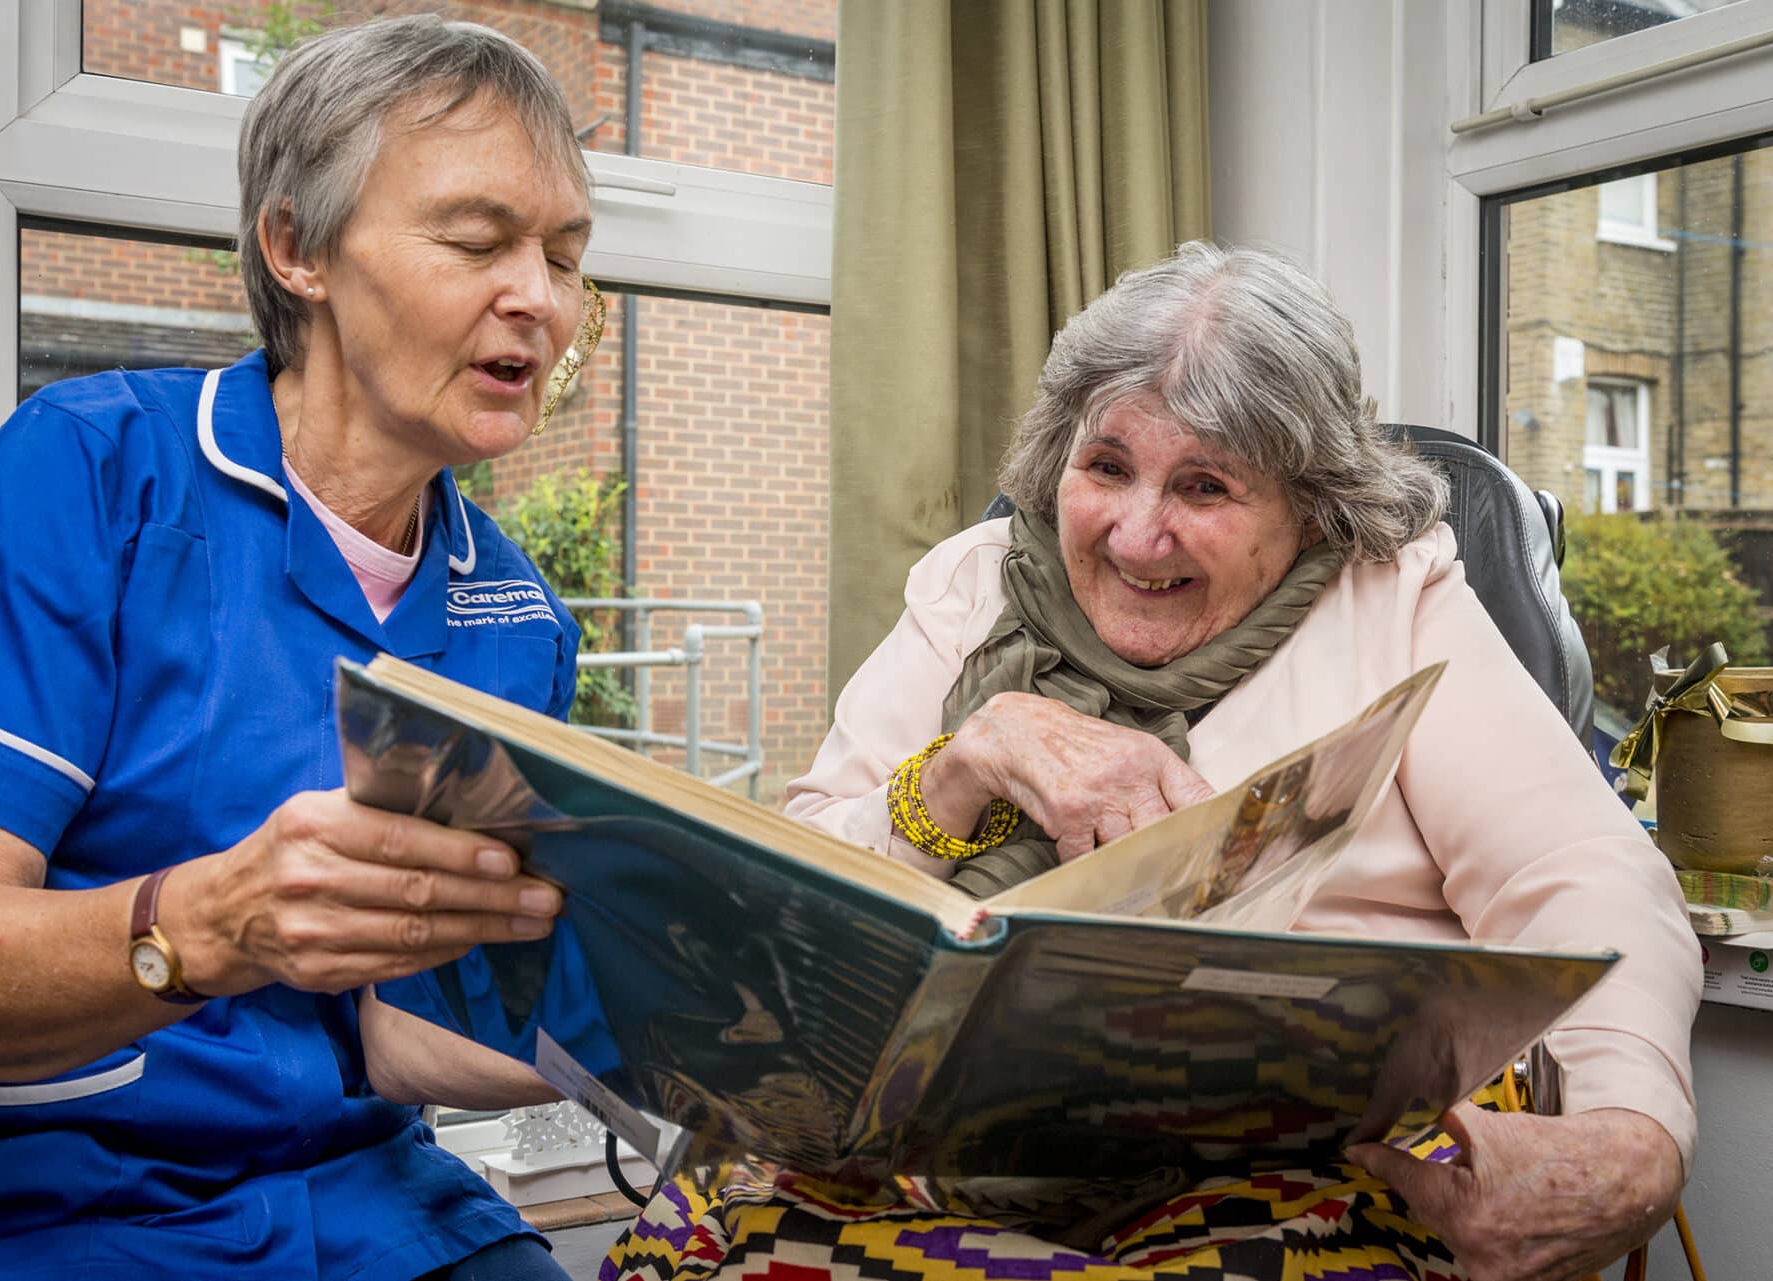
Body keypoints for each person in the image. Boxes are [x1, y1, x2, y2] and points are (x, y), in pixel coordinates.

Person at [606, 243, 1700, 1281]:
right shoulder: (976, 586)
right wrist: (963, 764)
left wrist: (1632, 1133)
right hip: (933, 1158)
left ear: (1309, 504)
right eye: (1109, 466)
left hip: (1274, 1168)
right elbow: (785, 899)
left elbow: (1579, 871)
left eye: (1206, 487)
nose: (1137, 534)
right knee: (709, 1228)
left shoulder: (1391, 596)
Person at [0, 17, 610, 1280]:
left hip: (356, 1196)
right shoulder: (88, 479)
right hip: (30, 1207)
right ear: (297, 247)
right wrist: (212, 924)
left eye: (567, 256)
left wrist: (700, 1051)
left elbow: (397, 1033)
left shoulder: (513, 613)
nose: (538, 295)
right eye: (479, 242)